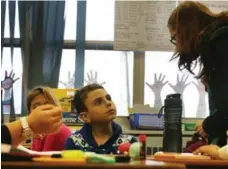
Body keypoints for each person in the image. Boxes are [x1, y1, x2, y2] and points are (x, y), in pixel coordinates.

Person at [167, 1, 228, 147]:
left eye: (175, 38)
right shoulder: (218, 40)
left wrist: (209, 125)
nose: (176, 46)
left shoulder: (221, 42)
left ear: (185, 31)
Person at [65, 83, 137, 154]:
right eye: (98, 102)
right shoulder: (74, 142)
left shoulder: (129, 142)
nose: (108, 103)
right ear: (85, 116)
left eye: (108, 98)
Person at [27, 87, 71, 151]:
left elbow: (43, 160)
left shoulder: (57, 132)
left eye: (47, 105)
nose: (42, 110)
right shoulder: (39, 132)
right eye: (36, 107)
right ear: (29, 113)